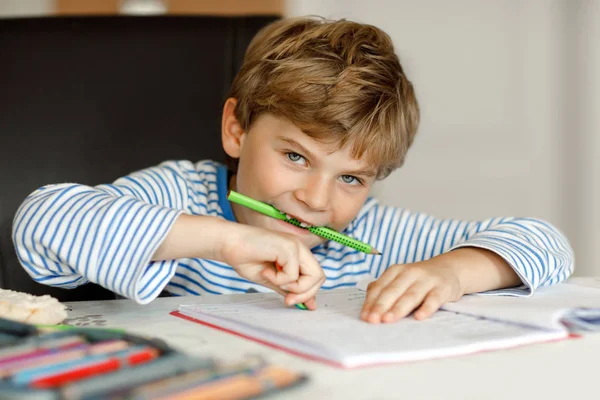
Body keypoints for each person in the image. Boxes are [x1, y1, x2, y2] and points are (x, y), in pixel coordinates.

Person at [12, 17, 574, 324]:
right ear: (237, 130)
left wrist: (451, 273)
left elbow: (546, 244)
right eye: (296, 157)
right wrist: (222, 241)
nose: (315, 199)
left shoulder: (369, 235)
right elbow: (41, 221)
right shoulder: (176, 193)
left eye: (351, 178)